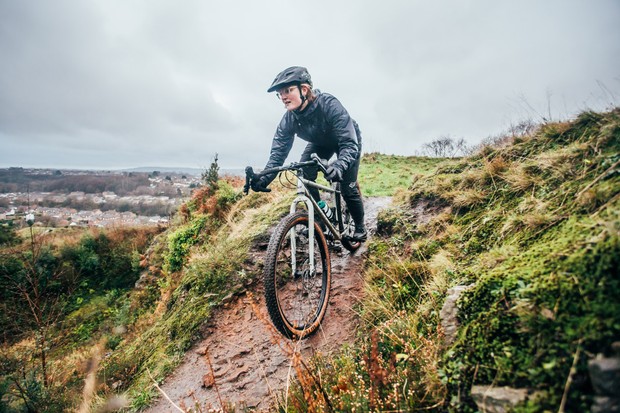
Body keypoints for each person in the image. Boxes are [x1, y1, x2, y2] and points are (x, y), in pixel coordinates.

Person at [251, 66, 367, 241]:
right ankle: (321, 219)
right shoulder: (289, 119)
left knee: (347, 187)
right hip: (320, 143)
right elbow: (278, 154)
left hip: (346, 141)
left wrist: (340, 165)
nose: (283, 97)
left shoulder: (329, 105)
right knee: (305, 176)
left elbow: (349, 144)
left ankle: (360, 227)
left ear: (304, 89)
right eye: (280, 93)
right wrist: (263, 179)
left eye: (288, 90)